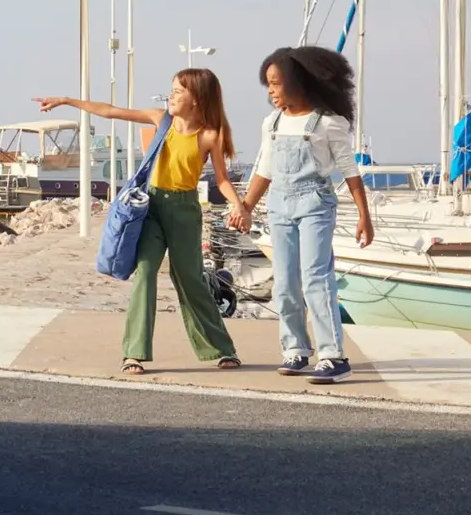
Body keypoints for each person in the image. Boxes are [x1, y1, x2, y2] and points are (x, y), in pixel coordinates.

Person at [34, 71, 247, 375]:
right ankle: (133, 352)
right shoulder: (160, 119)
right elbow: (111, 111)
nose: (171, 96)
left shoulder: (209, 135)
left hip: (185, 211)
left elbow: (223, 180)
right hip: (152, 207)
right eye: (171, 90)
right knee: (145, 274)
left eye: (178, 91)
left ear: (196, 99)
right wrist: (67, 101)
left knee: (190, 279)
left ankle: (221, 348)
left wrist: (239, 206)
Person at [228, 45, 374, 385]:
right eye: (268, 84)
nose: (271, 92)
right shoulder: (272, 123)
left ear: (299, 82)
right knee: (285, 280)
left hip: (315, 204)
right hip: (279, 203)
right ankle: (295, 350)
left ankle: (333, 356)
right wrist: (246, 206)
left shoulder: (329, 123)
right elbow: (265, 169)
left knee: (315, 278)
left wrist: (365, 217)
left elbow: (350, 172)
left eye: (276, 84)